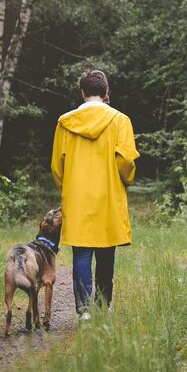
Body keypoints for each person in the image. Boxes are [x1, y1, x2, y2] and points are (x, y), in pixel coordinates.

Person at [50, 69, 139, 319]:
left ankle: (84, 312)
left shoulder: (65, 122)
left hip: (77, 197)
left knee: (81, 252)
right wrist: (126, 180)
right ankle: (103, 305)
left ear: (82, 92)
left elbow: (57, 166)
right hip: (108, 197)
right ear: (106, 93)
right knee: (106, 252)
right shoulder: (121, 121)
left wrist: (67, 189)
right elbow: (126, 162)